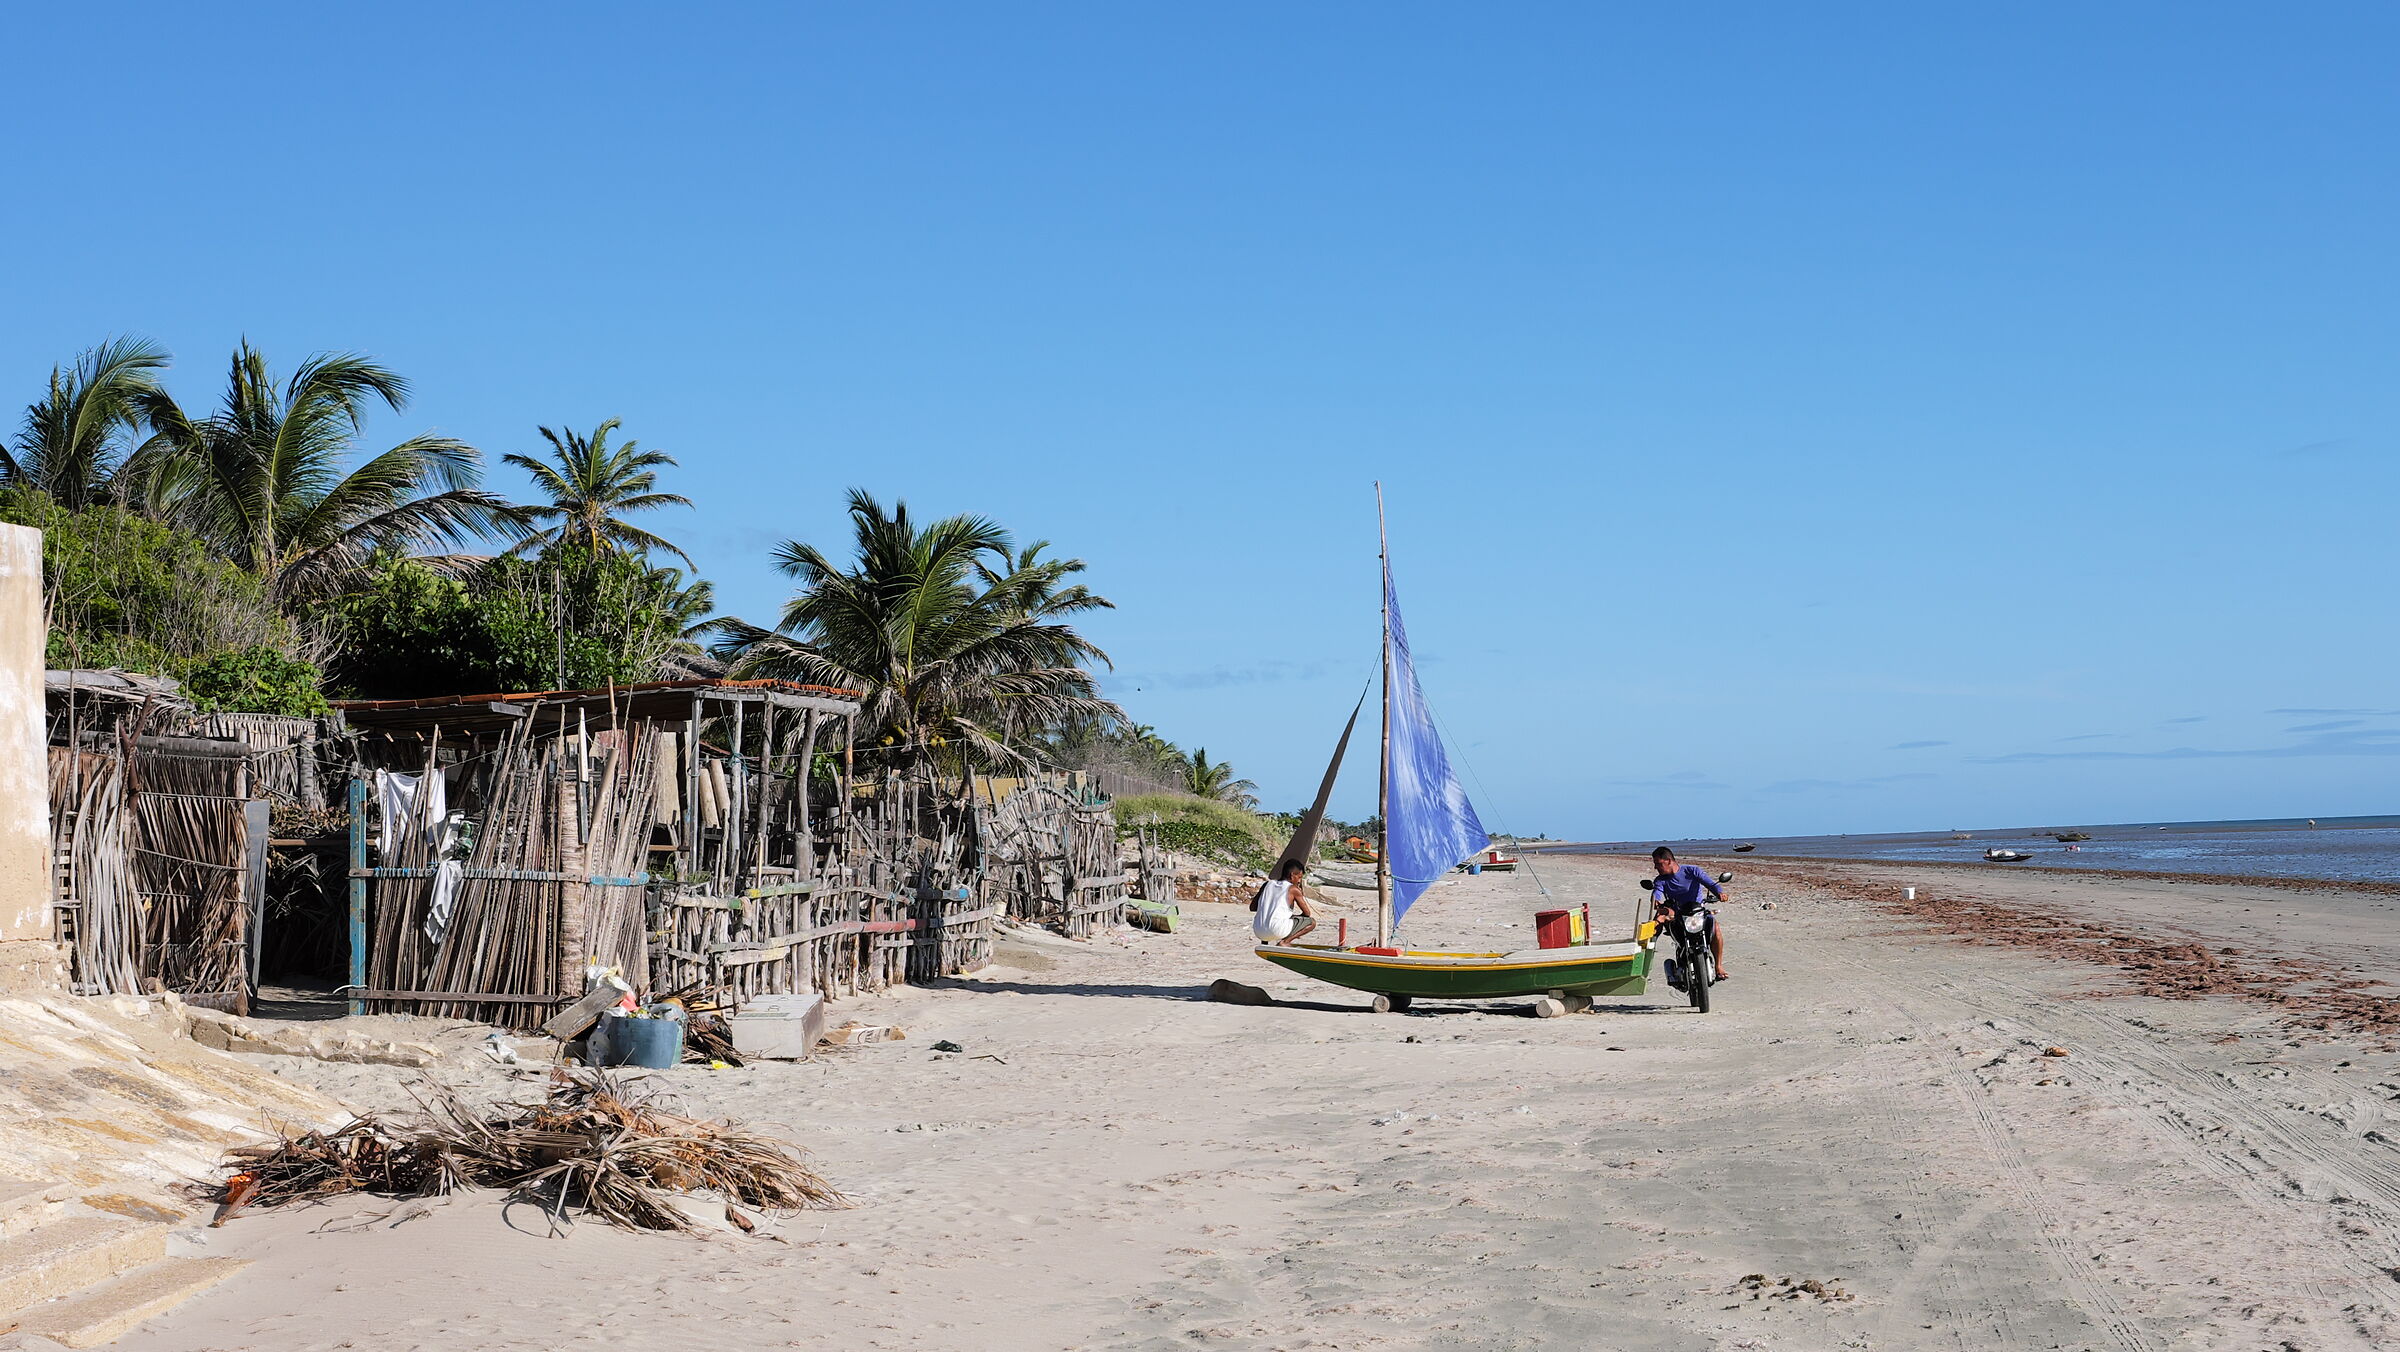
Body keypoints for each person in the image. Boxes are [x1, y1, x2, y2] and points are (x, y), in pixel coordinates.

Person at [1648, 846, 1729, 980]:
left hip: (1698, 911)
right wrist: (1656, 900)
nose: (1656, 867)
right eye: (1655, 864)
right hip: (1678, 915)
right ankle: (1650, 949)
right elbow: (1657, 891)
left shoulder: (1692, 871)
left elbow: (1710, 884)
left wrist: (1720, 893)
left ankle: (1718, 966)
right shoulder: (1660, 880)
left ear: (1668, 861)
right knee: (1660, 919)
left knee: (1716, 928)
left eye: (1658, 864)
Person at [1251, 859, 1318, 945]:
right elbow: (1307, 913)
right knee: (1311, 922)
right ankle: (1285, 942)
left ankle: (1265, 943)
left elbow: (1252, 907)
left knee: (1267, 916)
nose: (1299, 881)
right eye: (1299, 877)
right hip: (1277, 930)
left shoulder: (1267, 884)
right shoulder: (1293, 889)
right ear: (1292, 875)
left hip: (1258, 931)